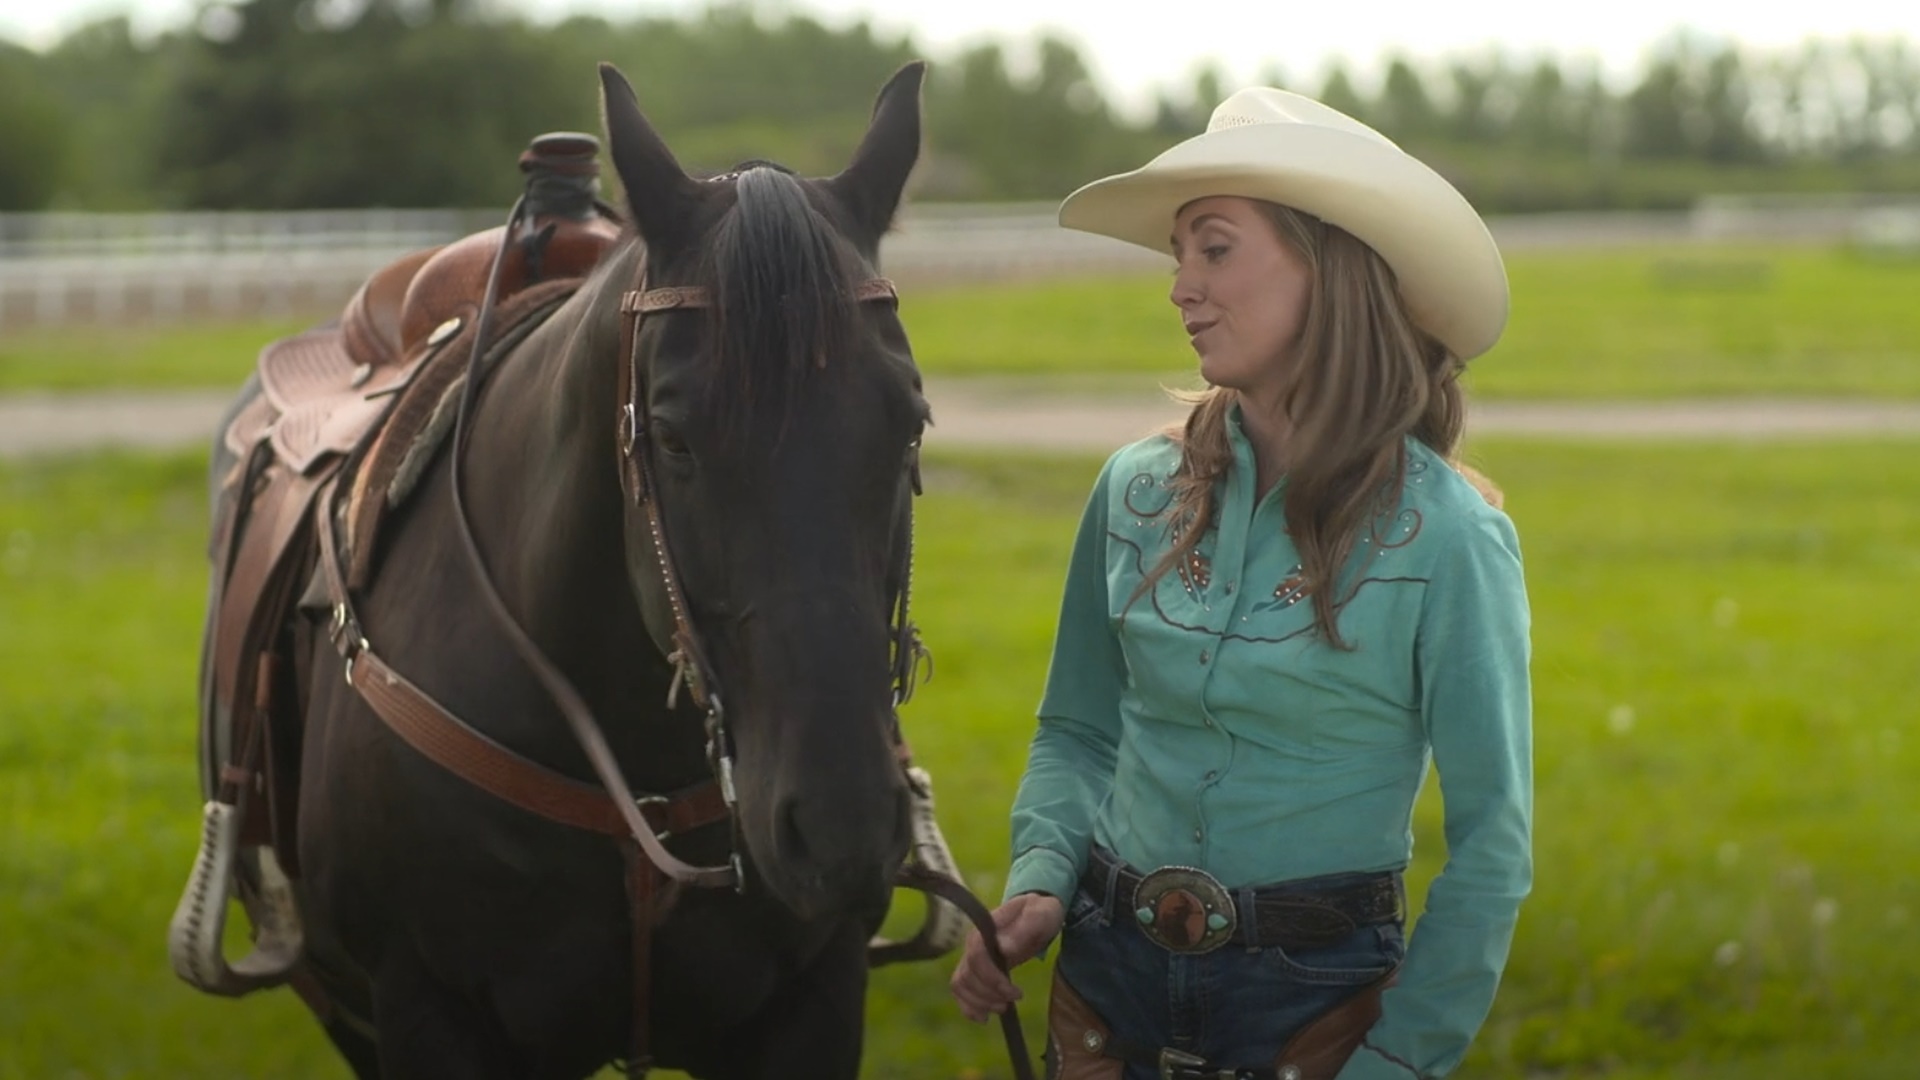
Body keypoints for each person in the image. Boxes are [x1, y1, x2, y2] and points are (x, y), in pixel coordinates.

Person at [949, 86, 1532, 1080]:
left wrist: (1401, 1058)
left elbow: (1491, 849)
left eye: (1213, 248)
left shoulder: (1453, 539)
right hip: (1104, 982)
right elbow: (1078, 730)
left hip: (1316, 1008)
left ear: (1331, 265)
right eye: (1179, 254)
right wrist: (1042, 880)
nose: (1180, 285)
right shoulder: (1132, 490)